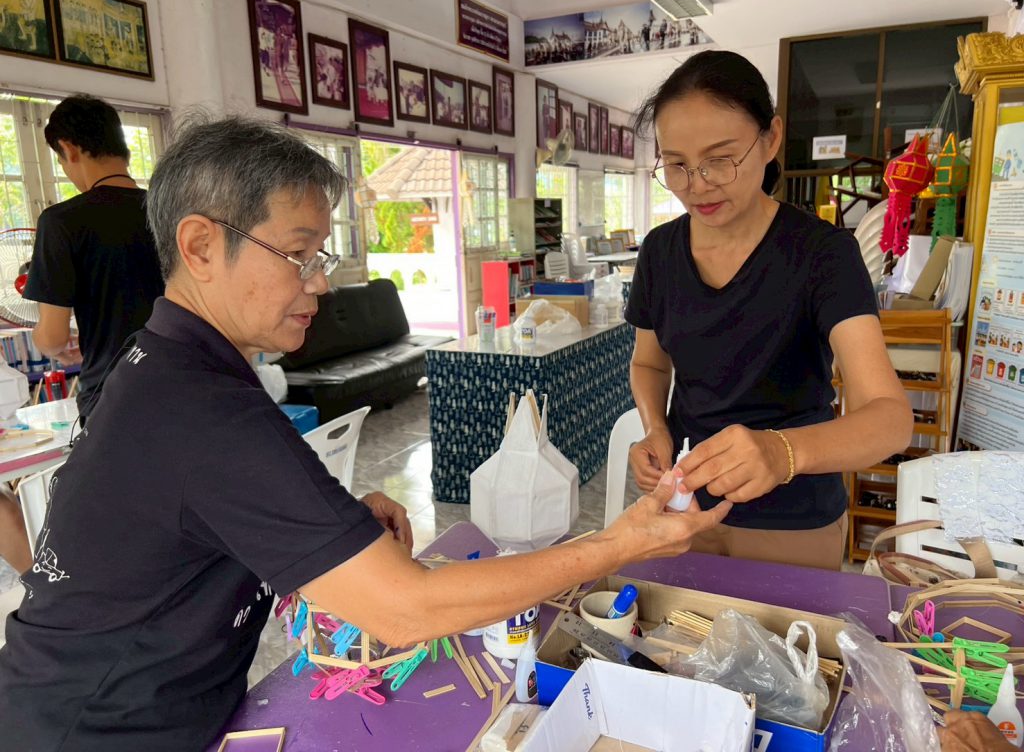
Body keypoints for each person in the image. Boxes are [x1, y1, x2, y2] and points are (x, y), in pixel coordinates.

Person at [0, 115, 730, 751]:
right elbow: (407, 609)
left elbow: (200, 508)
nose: (319, 281)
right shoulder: (200, 408)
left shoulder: (168, 363)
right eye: (299, 254)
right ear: (199, 247)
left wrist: (332, 523)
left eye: (320, 256)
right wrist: (618, 544)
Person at [625, 50, 912, 570]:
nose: (697, 185)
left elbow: (890, 419)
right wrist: (656, 428)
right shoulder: (660, 252)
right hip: (683, 507)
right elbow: (649, 362)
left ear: (771, 138)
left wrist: (782, 453)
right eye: (677, 165)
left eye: (720, 158)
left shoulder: (822, 254)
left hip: (792, 521)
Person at [24, 93, 164, 423]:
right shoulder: (169, 211)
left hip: (116, 399)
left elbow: (53, 338)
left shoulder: (62, 222)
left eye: (61, 161)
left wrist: (46, 341)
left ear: (68, 148)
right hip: (186, 385)